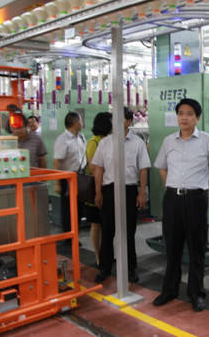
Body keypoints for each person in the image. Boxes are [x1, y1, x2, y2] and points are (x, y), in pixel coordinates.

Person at [153, 98, 209, 312]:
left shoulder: (207, 140)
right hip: (173, 199)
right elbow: (162, 167)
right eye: (181, 113)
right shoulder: (168, 141)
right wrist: (170, 186)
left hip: (196, 200)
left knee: (196, 248)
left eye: (189, 114)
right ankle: (169, 290)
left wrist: (204, 189)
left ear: (197, 118)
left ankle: (196, 293)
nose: (184, 117)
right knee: (172, 247)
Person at [92, 107, 150, 284]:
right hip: (109, 191)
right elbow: (98, 168)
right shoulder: (105, 143)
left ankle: (130, 268)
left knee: (128, 232)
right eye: (113, 119)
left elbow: (143, 169)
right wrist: (98, 191)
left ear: (128, 121)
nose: (115, 122)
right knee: (107, 230)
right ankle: (104, 267)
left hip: (129, 191)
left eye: (120, 118)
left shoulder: (138, 143)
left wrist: (142, 193)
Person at [85, 112, 113, 267]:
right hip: (97, 188)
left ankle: (107, 253)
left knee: (107, 224)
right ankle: (98, 256)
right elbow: (92, 167)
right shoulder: (94, 142)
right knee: (96, 224)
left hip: (107, 187)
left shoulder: (110, 140)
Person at [53, 112, 86, 233]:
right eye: (81, 121)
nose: (82, 123)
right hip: (67, 178)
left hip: (80, 177)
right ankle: (68, 237)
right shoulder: (62, 140)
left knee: (79, 208)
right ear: (75, 123)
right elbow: (57, 162)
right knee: (68, 209)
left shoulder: (81, 137)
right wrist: (57, 183)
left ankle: (75, 235)